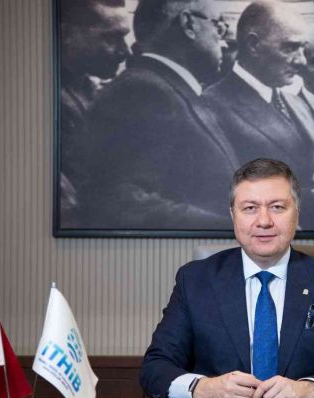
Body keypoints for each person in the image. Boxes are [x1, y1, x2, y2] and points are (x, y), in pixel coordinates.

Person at [140, 158, 314, 398]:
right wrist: (202, 388)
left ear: (297, 213)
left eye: (277, 207)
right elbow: (154, 368)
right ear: (233, 215)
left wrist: (310, 389)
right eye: (250, 208)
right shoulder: (194, 281)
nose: (264, 221)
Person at [74, 0, 239, 230]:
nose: (223, 41)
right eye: (218, 25)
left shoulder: (167, 88)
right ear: (188, 24)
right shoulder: (142, 92)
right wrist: (232, 227)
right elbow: (117, 201)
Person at [203, 1, 314, 197]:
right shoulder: (211, 106)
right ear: (253, 45)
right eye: (290, 47)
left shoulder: (297, 103)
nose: (302, 61)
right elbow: (228, 193)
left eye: (303, 48)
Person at [58, 0, 130, 218]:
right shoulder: (40, 101)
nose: (125, 51)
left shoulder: (90, 89)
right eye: (111, 38)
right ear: (66, 34)